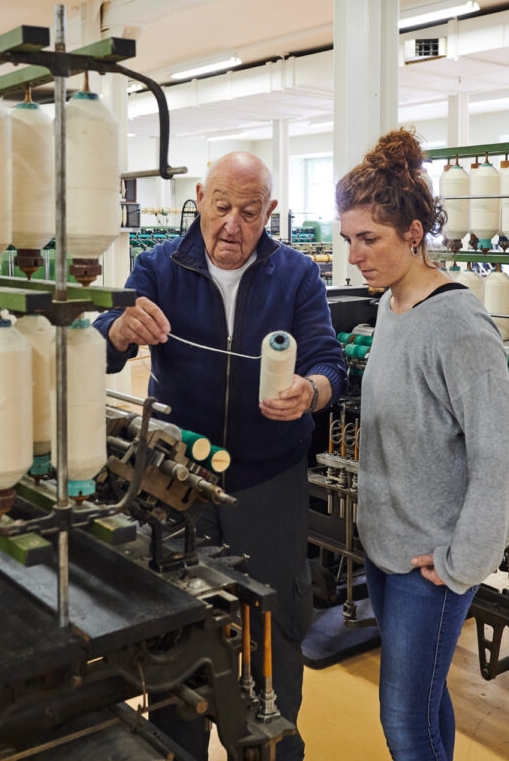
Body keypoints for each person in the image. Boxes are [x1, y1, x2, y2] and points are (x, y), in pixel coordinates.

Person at [94, 151, 346, 760]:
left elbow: (329, 361)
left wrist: (311, 392)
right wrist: (119, 330)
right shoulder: (157, 266)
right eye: (222, 207)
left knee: (275, 630)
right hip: (176, 484)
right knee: (177, 634)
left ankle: (271, 747)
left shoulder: (296, 276)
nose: (233, 225)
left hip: (268, 484)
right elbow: (103, 339)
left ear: (272, 213)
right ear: (201, 197)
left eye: (250, 212)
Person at [335, 128, 509, 761]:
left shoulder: (457, 322)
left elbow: (504, 452)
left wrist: (461, 561)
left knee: (404, 723)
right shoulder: (392, 308)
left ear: (414, 233)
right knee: (425, 702)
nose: (355, 256)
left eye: (371, 240)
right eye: (349, 240)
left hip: (433, 566)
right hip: (390, 553)